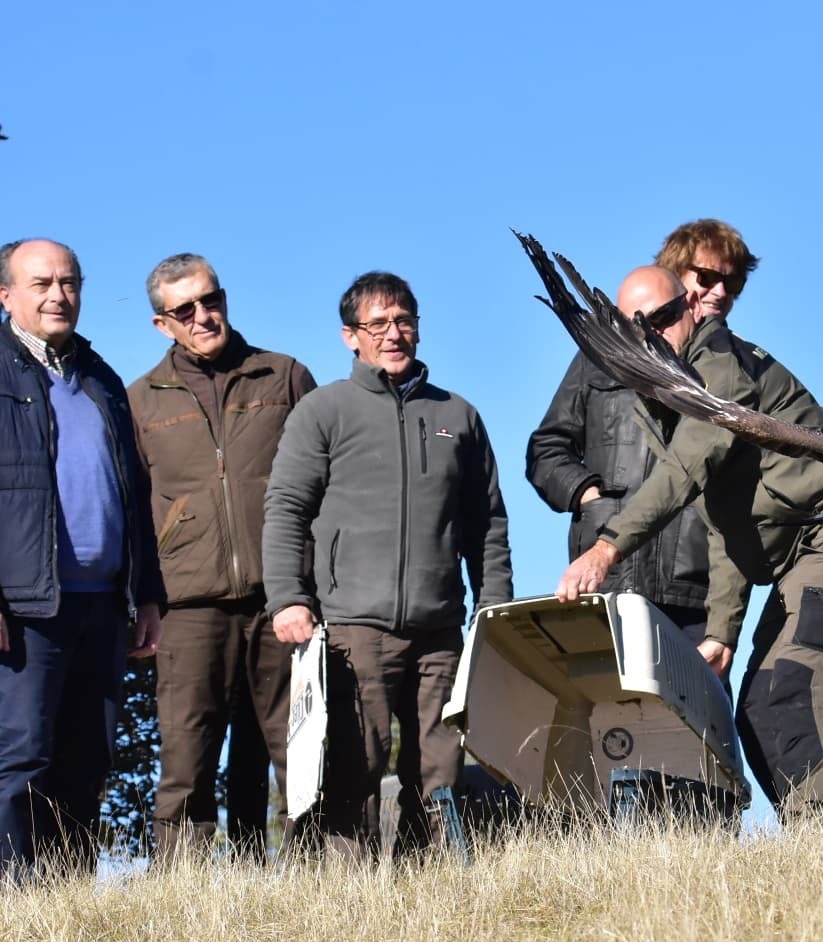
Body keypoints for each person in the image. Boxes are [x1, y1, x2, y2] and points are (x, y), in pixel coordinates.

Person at [556, 266, 823, 826]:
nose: (654, 334)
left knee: (789, 686)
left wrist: (608, 547)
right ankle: (814, 840)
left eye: (666, 318)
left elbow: (686, 468)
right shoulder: (663, 389)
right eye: (637, 327)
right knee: (755, 708)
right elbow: (724, 518)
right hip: (806, 545)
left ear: (692, 309)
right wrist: (722, 631)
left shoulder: (717, 367)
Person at [263, 271, 513, 860]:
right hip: (354, 624)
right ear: (351, 336)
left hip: (442, 629)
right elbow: (285, 509)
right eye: (377, 324)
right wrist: (287, 597)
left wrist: (494, 606)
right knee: (355, 765)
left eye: (403, 321)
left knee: (440, 767)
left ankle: (430, 887)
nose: (393, 334)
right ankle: (349, 899)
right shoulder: (323, 410)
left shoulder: (459, 415)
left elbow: (487, 523)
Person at [127, 253, 317, 861]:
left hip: (282, 596)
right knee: (186, 756)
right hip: (187, 605)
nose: (204, 315)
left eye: (213, 300)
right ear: (163, 324)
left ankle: (321, 887)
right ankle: (182, 898)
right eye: (186, 309)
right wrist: (141, 597)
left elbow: (324, 485)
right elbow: (131, 506)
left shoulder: (284, 376)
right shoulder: (139, 402)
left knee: (302, 749)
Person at [0, 238, 165, 881]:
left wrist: (147, 593)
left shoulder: (100, 379)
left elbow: (135, 491)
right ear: (6, 295)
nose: (58, 295)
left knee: (87, 760)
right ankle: (14, 904)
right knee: (22, 758)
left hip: (102, 605)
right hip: (25, 605)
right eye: (40, 283)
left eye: (69, 282)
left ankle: (64, 899)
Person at [526, 220, 759, 675]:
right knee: (605, 725)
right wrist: (591, 497)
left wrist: (724, 624)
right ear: (673, 276)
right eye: (707, 277)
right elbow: (546, 448)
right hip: (606, 581)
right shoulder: (599, 356)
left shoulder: (735, 371)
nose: (720, 291)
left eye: (733, 282)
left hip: (692, 592)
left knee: (696, 730)